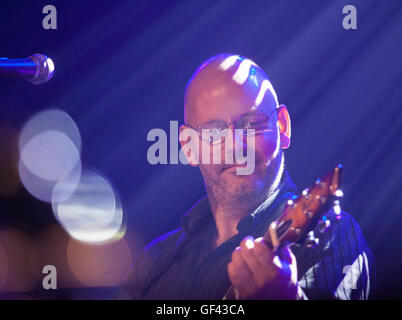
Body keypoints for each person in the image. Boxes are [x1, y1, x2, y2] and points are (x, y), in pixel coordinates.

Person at [114, 54, 375, 300]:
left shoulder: (333, 237)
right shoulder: (152, 264)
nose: (235, 145)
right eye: (214, 131)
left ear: (282, 126)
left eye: (252, 124)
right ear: (189, 147)